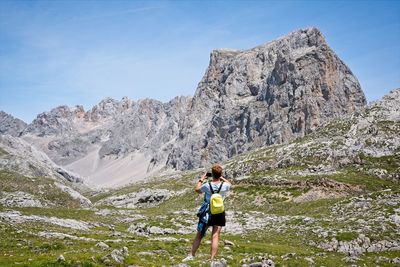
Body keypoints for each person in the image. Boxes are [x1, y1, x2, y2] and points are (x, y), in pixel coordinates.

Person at [183, 164, 231, 263]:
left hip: (207, 213)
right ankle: (212, 259)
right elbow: (229, 183)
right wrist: (221, 177)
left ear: (212, 174)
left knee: (200, 234)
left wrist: (201, 179)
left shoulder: (207, 185)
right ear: (220, 174)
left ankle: (192, 255)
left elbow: (197, 189)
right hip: (219, 212)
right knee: (215, 235)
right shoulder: (225, 185)